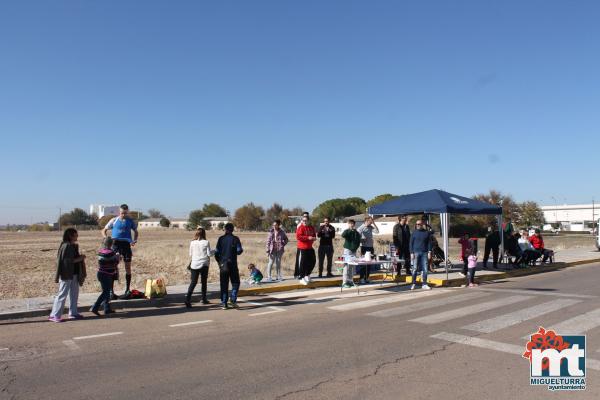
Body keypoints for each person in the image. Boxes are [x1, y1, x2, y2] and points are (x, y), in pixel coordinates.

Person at [49, 228, 87, 322]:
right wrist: (81, 258)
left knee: (74, 294)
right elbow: (67, 262)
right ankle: (54, 315)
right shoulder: (67, 246)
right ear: (70, 235)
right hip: (67, 274)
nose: (77, 236)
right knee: (62, 295)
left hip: (74, 274)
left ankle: (73, 313)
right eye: (76, 234)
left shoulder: (70, 245)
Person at [102, 204, 139, 299]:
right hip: (115, 244)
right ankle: (111, 292)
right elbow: (103, 230)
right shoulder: (114, 220)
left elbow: (136, 231)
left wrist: (134, 240)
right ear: (119, 212)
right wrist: (106, 239)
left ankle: (127, 290)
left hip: (126, 245)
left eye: (125, 213)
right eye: (122, 213)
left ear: (128, 212)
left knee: (128, 267)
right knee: (113, 268)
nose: (123, 214)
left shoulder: (130, 221)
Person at [215, 223, 243, 309]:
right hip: (233, 264)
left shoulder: (221, 239)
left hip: (223, 265)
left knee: (224, 284)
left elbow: (216, 252)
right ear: (233, 229)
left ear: (225, 229)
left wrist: (219, 262)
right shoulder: (235, 239)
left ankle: (224, 303)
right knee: (236, 283)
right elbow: (239, 251)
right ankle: (233, 299)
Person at [90, 237, 119, 316]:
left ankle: (107, 309)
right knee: (106, 292)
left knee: (106, 291)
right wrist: (118, 258)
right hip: (107, 275)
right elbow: (114, 263)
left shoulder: (100, 252)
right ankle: (95, 307)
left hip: (101, 273)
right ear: (111, 244)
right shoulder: (111, 253)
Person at [186, 228, 212, 308]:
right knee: (204, 282)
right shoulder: (206, 242)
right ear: (204, 233)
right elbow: (209, 254)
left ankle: (187, 299)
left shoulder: (192, 242)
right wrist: (215, 251)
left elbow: (190, 254)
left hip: (194, 264)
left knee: (193, 282)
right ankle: (204, 299)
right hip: (204, 264)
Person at [409, 219, 432, 290]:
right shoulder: (414, 233)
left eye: (419, 224)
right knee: (415, 269)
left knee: (425, 269)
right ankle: (413, 283)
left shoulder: (426, 233)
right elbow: (411, 243)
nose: (418, 225)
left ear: (422, 225)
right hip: (415, 253)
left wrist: (429, 252)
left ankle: (424, 284)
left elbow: (429, 243)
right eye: (417, 224)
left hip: (424, 253)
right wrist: (411, 253)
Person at [357, 216, 379, 284]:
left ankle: (367, 278)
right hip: (364, 247)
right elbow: (356, 237)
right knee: (363, 264)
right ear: (366, 221)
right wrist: (362, 240)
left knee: (369, 263)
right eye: (370, 221)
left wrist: (374, 223)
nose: (371, 222)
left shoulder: (371, 227)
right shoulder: (361, 228)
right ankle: (361, 278)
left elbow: (377, 231)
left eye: (372, 221)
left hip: (370, 247)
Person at [296, 214, 317, 285]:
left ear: (309, 221)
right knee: (303, 263)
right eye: (303, 220)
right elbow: (298, 237)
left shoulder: (311, 227)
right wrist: (308, 238)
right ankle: (301, 278)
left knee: (313, 261)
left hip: (310, 247)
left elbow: (314, 235)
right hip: (302, 248)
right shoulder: (300, 227)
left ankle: (307, 275)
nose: (304, 222)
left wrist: (313, 238)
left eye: (306, 220)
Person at [341, 219, 361, 288]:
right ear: (348, 224)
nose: (352, 225)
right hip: (347, 250)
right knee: (346, 266)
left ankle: (350, 281)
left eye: (353, 224)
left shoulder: (356, 232)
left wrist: (355, 248)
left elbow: (358, 240)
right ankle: (344, 282)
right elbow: (343, 235)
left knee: (352, 266)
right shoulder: (347, 231)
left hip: (354, 251)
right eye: (350, 224)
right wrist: (350, 230)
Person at [294, 212, 310, 278]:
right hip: (301, 246)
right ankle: (297, 274)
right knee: (299, 260)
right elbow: (299, 236)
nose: (305, 217)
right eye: (304, 216)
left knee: (306, 261)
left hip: (307, 246)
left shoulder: (309, 224)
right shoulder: (300, 225)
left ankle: (305, 274)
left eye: (307, 216)